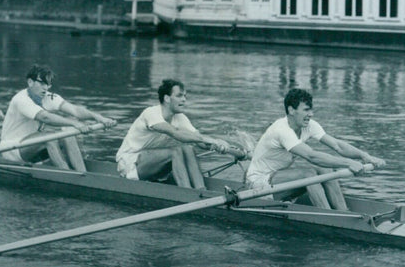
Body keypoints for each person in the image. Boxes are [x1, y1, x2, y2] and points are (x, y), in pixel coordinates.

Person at [245, 88, 385, 209]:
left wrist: (365, 156)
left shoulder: (308, 125)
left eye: (311, 109)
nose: (310, 114)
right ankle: (328, 216)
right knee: (309, 174)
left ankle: (343, 212)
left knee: (325, 169)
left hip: (279, 179)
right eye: (306, 110)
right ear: (291, 110)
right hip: (257, 185)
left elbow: (338, 146)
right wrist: (349, 163)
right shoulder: (281, 130)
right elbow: (312, 156)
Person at [116, 79, 243, 189]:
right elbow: (175, 133)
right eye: (179, 96)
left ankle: (201, 190)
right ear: (166, 98)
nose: (184, 100)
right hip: (130, 166)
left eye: (185, 96)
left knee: (188, 148)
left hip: (154, 164)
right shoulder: (151, 113)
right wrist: (212, 140)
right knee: (175, 151)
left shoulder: (180, 117)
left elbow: (200, 142)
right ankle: (187, 194)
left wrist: (220, 145)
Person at [0, 64, 116, 171]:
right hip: (12, 149)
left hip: (33, 145)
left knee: (68, 133)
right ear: (30, 82)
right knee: (50, 137)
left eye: (48, 84)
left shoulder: (49, 97)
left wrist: (98, 117)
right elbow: (45, 117)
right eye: (42, 83)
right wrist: (74, 123)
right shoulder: (21, 99)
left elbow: (75, 110)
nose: (46, 88)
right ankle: (67, 175)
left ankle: (82, 173)